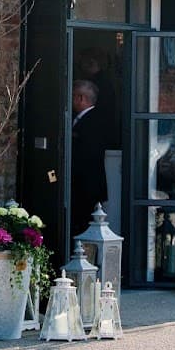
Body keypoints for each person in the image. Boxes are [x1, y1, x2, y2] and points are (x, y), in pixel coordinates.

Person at [70, 79, 110, 235]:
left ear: (81, 98)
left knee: (84, 227)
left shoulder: (94, 120)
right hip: (83, 185)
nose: (71, 99)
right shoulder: (82, 118)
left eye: (73, 96)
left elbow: (89, 154)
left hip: (87, 186)